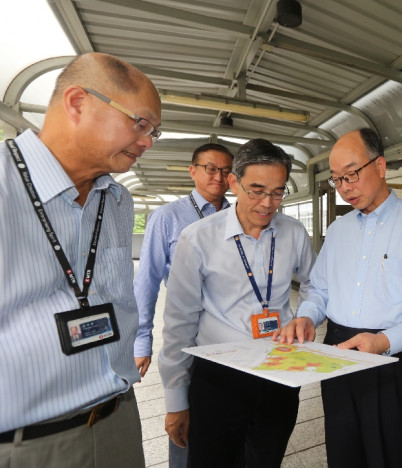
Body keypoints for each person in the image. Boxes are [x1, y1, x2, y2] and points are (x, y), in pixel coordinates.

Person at [0, 52, 161, 467]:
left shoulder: (118, 200)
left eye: (153, 132)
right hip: (29, 446)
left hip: (119, 419)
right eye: (140, 123)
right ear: (77, 102)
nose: (146, 141)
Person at [276, 128, 402, 467]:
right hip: (339, 351)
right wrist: (307, 317)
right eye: (337, 179)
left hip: (392, 358)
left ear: (381, 166)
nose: (344, 187)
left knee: (390, 455)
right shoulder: (339, 230)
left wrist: (385, 341)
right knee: (343, 453)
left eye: (352, 174)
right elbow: (319, 289)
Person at [158, 138, 315, 467]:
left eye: (277, 192)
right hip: (218, 377)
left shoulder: (294, 232)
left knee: (266, 460)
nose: (267, 203)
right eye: (256, 190)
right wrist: (175, 399)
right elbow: (179, 322)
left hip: (279, 373)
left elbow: (316, 285)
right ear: (234, 182)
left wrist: (307, 317)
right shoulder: (198, 238)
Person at [133, 142, 233, 466]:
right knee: (186, 431)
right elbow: (146, 279)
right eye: (210, 168)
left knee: (232, 430)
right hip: (188, 337)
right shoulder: (168, 217)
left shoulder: (241, 216)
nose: (219, 176)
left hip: (237, 338)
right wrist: (142, 339)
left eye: (227, 170)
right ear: (193, 171)